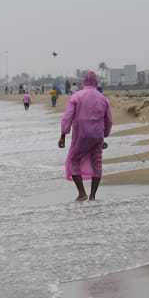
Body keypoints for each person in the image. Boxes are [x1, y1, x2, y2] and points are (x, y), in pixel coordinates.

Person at [58, 69, 112, 201]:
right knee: (97, 163)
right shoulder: (103, 98)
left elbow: (67, 117)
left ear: (83, 82)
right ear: (95, 82)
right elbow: (109, 120)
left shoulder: (76, 96)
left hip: (81, 134)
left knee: (74, 160)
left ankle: (82, 193)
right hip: (97, 135)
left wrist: (63, 134)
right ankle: (93, 196)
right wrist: (105, 134)